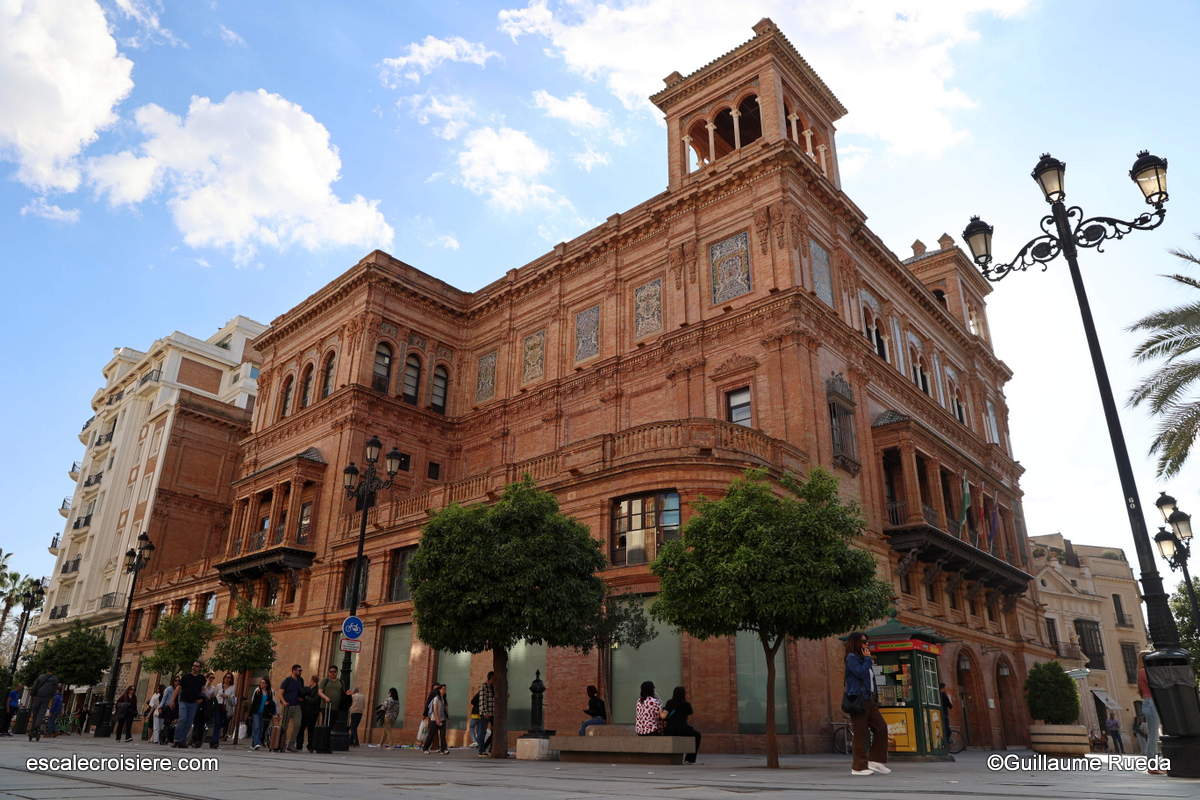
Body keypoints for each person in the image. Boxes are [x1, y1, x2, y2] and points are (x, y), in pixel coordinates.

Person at [844, 631, 890, 777]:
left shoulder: (863, 659)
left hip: (868, 700)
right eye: (864, 642)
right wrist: (868, 659)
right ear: (855, 643)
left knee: (881, 727)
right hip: (858, 700)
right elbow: (859, 673)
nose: (866, 644)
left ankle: (876, 761)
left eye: (867, 642)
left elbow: (870, 680)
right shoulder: (852, 658)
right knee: (860, 734)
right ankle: (858, 767)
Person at [1138, 655, 1166, 774]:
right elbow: (1158, 683)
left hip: (1149, 702)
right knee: (1153, 735)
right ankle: (1152, 766)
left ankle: (1155, 765)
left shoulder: (1141, 671)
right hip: (1151, 702)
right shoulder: (1144, 672)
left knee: (1154, 735)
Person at [663, 686, 701, 764]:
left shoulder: (669, 702)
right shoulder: (686, 704)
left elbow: (665, 715)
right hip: (682, 729)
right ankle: (690, 759)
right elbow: (690, 712)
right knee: (697, 735)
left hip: (669, 730)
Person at [173, 661, 206, 748]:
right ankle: (177, 740)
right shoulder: (185, 677)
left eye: (197, 666)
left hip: (194, 703)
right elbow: (178, 688)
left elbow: (203, 689)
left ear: (199, 668)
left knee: (189, 722)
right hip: (184, 701)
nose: (195, 667)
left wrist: (202, 699)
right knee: (182, 719)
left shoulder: (201, 678)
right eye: (194, 665)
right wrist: (172, 700)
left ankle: (182, 741)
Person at [278, 664, 304, 753]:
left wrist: (301, 697)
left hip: (297, 706)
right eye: (299, 670)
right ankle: (282, 744)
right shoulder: (287, 680)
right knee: (284, 726)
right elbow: (280, 693)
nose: (300, 672)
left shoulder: (301, 680)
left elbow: (301, 691)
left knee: (298, 724)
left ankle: (291, 744)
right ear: (293, 671)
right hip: (287, 706)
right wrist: (284, 702)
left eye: (301, 671)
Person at [27, 669, 59, 741]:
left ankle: (33, 727)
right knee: (41, 713)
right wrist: (51, 697)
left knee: (35, 713)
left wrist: (32, 694)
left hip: (37, 697)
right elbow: (54, 690)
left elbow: (35, 686)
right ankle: (37, 726)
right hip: (46, 698)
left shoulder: (41, 677)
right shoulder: (55, 679)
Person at [248, 677, 275, 751]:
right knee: (256, 727)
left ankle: (254, 744)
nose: (262, 684)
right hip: (256, 712)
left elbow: (272, 702)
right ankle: (257, 743)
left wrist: (269, 703)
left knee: (260, 729)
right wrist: (250, 714)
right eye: (261, 683)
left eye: (264, 683)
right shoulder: (257, 691)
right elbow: (253, 703)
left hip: (264, 713)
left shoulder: (270, 692)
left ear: (267, 684)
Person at [210, 673, 236, 749]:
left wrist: (227, 697)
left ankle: (214, 741)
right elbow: (213, 695)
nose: (228, 679)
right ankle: (215, 741)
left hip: (225, 708)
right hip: (217, 706)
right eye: (226, 677)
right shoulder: (218, 686)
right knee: (217, 723)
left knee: (220, 724)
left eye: (229, 678)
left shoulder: (232, 688)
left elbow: (233, 701)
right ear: (224, 678)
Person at [297, 675, 321, 751]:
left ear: (313, 681)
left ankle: (310, 746)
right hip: (305, 712)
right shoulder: (307, 689)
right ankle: (299, 745)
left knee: (311, 730)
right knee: (301, 729)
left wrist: (305, 698)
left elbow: (315, 700)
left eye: (310, 680)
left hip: (312, 713)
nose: (309, 682)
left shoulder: (317, 690)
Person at [318, 666, 345, 733]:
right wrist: (326, 697)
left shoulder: (341, 681)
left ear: (337, 672)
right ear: (328, 672)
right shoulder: (325, 680)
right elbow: (319, 692)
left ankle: (329, 739)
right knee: (326, 723)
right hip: (326, 706)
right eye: (331, 672)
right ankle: (324, 738)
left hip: (336, 707)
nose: (333, 673)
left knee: (333, 724)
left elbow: (343, 693)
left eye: (334, 671)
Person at [423, 683, 448, 754]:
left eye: (445, 689)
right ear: (439, 690)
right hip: (435, 719)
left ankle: (443, 749)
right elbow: (435, 710)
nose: (445, 690)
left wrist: (446, 717)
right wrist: (437, 720)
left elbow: (445, 709)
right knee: (431, 734)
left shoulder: (443, 698)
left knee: (442, 735)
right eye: (443, 689)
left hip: (442, 719)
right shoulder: (436, 698)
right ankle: (425, 748)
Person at [477, 673, 495, 757]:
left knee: (495, 731)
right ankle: (481, 751)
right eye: (494, 679)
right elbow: (482, 700)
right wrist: (484, 712)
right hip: (485, 713)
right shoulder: (484, 686)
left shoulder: (493, 687)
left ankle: (488, 748)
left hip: (493, 713)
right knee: (482, 732)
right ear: (491, 678)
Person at [939, 682, 954, 748]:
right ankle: (946, 741)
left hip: (938, 714)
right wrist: (950, 700)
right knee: (947, 729)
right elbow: (950, 706)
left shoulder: (937, 694)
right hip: (944, 714)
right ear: (943, 688)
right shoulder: (944, 695)